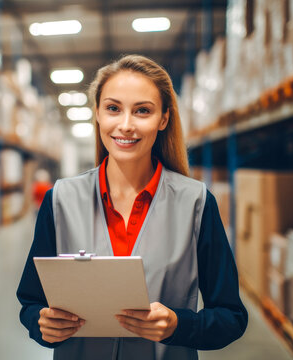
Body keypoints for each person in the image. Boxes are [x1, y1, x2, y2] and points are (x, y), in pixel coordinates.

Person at [17, 55, 248, 359]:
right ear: (97, 114)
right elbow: (31, 302)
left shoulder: (196, 203)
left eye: (142, 111)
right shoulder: (60, 199)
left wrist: (179, 325)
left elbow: (231, 316)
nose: (125, 125)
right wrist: (41, 324)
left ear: (163, 119)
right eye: (113, 108)